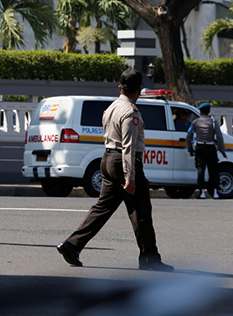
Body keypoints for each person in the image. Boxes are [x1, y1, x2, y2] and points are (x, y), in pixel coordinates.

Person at [57, 69, 173, 272]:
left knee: (103, 208)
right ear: (139, 91)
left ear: (120, 88)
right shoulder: (131, 112)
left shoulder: (110, 108)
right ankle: (149, 259)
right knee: (141, 210)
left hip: (108, 159)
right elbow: (128, 145)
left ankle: (72, 245)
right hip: (124, 162)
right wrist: (130, 176)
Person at [186, 103, 227, 199]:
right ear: (209, 111)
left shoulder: (195, 122)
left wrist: (190, 149)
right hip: (211, 147)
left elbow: (188, 135)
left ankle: (202, 192)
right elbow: (219, 136)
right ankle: (215, 192)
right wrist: (222, 150)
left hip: (200, 147)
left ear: (200, 111)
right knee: (213, 170)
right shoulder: (213, 122)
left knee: (201, 169)